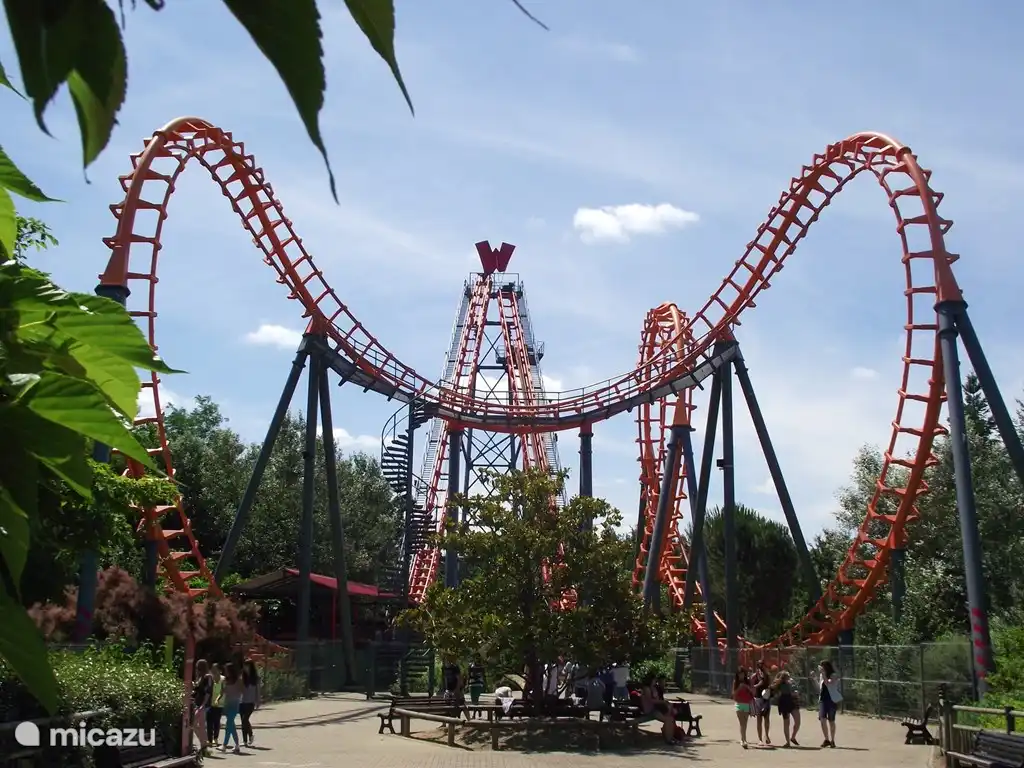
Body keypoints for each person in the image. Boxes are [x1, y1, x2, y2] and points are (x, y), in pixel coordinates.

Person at [639, 673, 676, 744]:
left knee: (670, 719)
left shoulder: (653, 688)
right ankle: (668, 740)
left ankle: (670, 737)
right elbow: (650, 701)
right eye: (654, 679)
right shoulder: (647, 688)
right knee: (668, 719)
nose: (655, 681)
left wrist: (664, 702)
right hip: (650, 710)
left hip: (656, 709)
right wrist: (662, 702)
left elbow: (657, 698)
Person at [813, 659, 841, 747]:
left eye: (822, 666)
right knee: (822, 719)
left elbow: (828, 684)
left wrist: (823, 674)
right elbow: (820, 687)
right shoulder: (822, 675)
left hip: (831, 699)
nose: (820, 668)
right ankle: (826, 739)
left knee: (831, 720)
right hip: (823, 699)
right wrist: (814, 679)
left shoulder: (834, 675)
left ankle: (832, 740)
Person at [220, 662, 244, 753]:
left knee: (228, 723)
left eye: (227, 670)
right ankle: (237, 745)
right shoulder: (225, 680)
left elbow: (242, 691)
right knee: (231, 725)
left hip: (235, 703)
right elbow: (223, 692)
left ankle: (224, 745)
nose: (225, 672)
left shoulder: (238, 680)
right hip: (227, 703)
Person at [191, 660, 212, 754]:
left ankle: (204, 745)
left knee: (198, 725)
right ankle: (204, 745)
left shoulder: (208, 677)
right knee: (196, 725)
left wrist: (203, 705)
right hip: (197, 703)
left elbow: (208, 692)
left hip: (203, 704)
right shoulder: (199, 677)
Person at [773, 669, 798, 747]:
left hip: (793, 702)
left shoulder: (791, 682)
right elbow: (773, 688)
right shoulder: (780, 684)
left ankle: (793, 737)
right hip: (784, 702)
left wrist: (795, 692)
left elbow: (795, 690)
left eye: (788, 676)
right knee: (786, 722)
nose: (788, 678)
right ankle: (788, 742)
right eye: (786, 676)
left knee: (797, 721)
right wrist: (779, 681)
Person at [732, 667, 756, 748]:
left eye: (742, 674)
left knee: (744, 723)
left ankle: (743, 739)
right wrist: (739, 687)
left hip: (746, 703)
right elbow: (733, 695)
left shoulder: (748, 681)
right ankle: (743, 740)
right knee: (741, 722)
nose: (741, 676)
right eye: (739, 674)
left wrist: (746, 687)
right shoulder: (736, 682)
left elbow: (753, 692)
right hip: (739, 703)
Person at [751, 659, 772, 744]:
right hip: (758, 698)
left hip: (766, 698)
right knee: (759, 719)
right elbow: (751, 684)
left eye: (762, 664)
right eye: (759, 665)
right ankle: (760, 739)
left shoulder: (766, 675)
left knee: (766, 718)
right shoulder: (755, 675)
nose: (761, 666)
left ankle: (766, 735)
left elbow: (766, 683)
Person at [240, 659, 261, 746]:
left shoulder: (256, 678)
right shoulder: (242, 677)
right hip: (242, 701)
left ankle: (251, 735)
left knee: (245, 719)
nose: (244, 668)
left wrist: (258, 701)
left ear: (250, 667)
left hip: (250, 702)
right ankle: (245, 741)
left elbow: (258, 691)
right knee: (243, 721)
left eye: (246, 666)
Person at [206, 663, 224, 747]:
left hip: (219, 704)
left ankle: (215, 738)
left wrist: (218, 700)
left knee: (216, 722)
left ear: (219, 671)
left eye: (215, 669)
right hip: (210, 704)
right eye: (212, 669)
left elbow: (223, 691)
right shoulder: (210, 679)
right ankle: (209, 739)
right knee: (209, 722)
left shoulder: (223, 679)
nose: (214, 671)